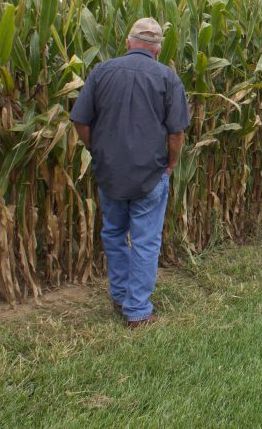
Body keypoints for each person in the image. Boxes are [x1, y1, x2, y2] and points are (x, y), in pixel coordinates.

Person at [69, 17, 189, 328]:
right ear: (158, 49)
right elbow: (176, 133)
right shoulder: (167, 78)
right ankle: (137, 311)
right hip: (150, 173)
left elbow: (80, 120)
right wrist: (172, 163)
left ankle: (121, 296)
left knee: (113, 233)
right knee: (146, 239)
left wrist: (97, 150)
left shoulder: (102, 72)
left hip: (110, 171)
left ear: (127, 43)